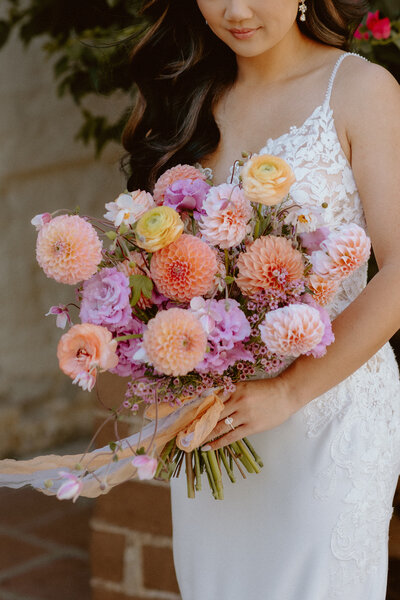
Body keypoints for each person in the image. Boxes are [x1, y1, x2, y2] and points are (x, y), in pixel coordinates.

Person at [121, 0, 400, 599]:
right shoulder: (187, 98)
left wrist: (288, 391)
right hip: (215, 425)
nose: (234, 10)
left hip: (328, 416)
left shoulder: (359, 90)